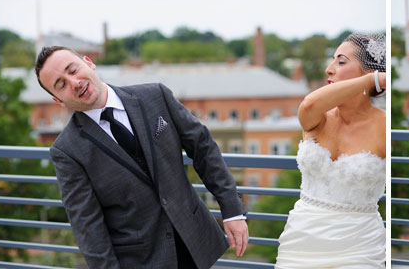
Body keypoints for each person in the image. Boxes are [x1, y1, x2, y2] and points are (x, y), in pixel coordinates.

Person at [35, 46, 249, 268]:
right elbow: (87, 226)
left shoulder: (156, 95)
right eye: (61, 84)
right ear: (58, 100)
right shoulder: (67, 151)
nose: (74, 82)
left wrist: (232, 211)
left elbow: (203, 148)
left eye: (73, 69)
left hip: (195, 241)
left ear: (89, 62)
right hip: (140, 261)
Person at [275, 34, 387, 268]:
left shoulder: (384, 126)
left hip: (358, 244)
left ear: (368, 71)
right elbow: (308, 104)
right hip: (301, 239)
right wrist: (371, 80)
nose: (329, 69)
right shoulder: (318, 118)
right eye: (332, 60)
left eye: (341, 61)